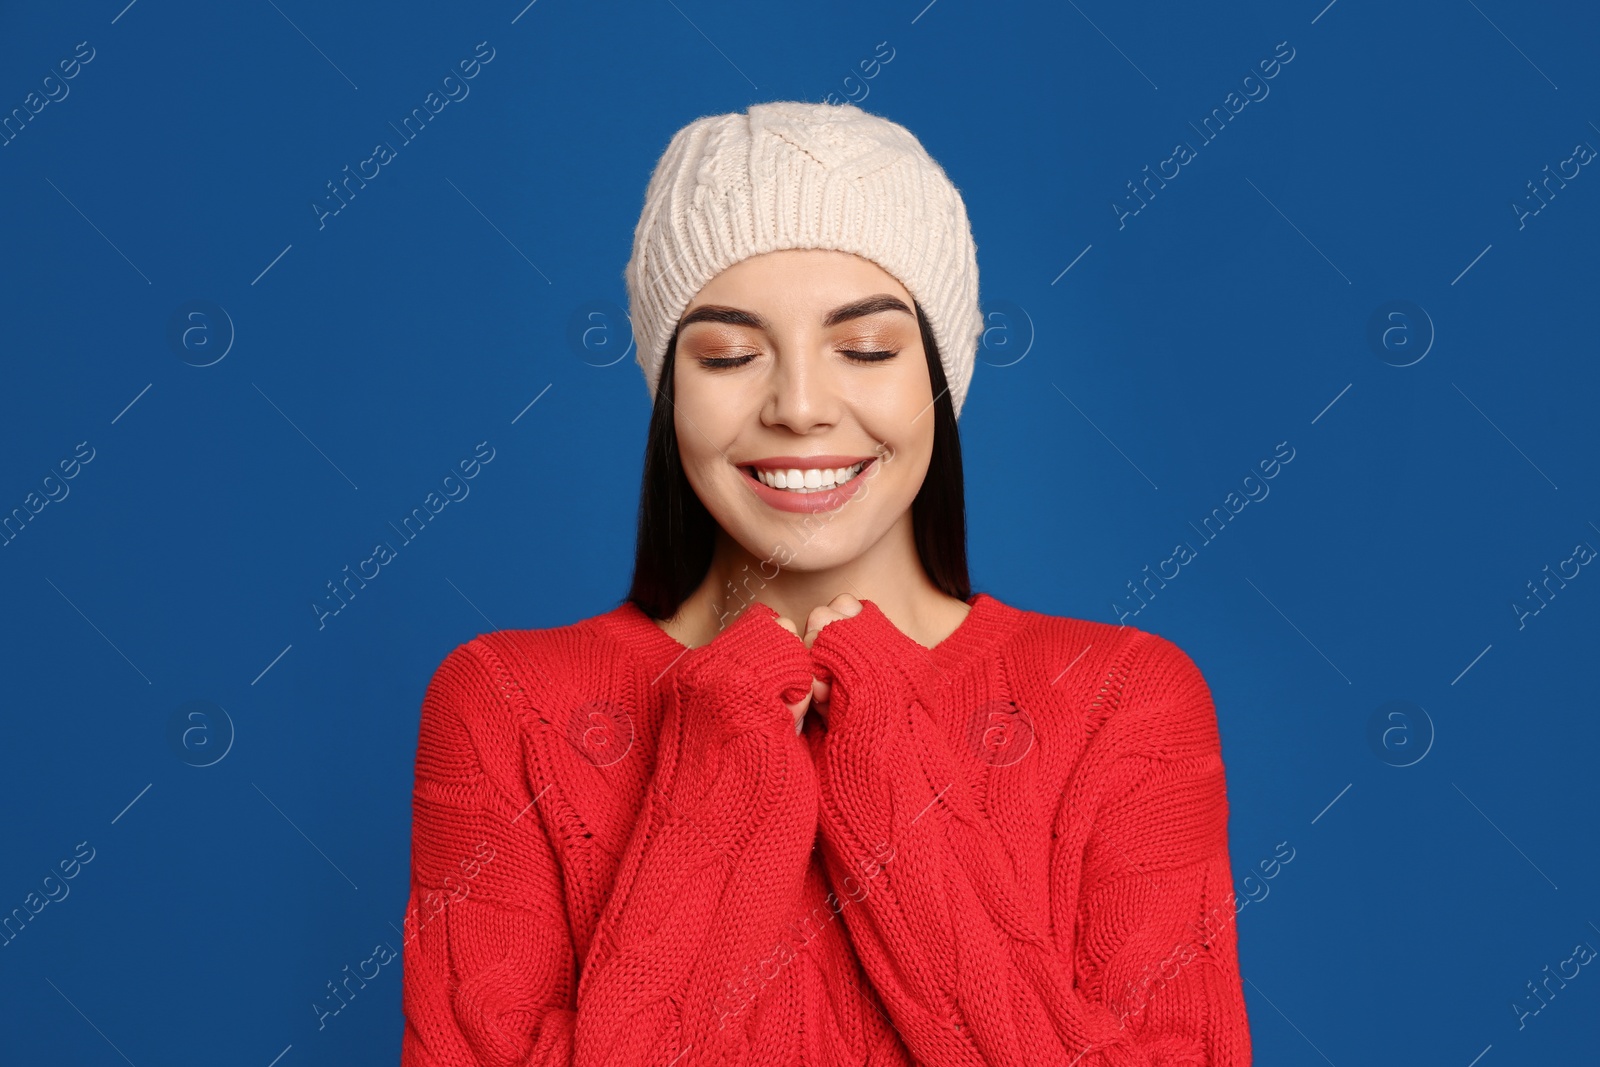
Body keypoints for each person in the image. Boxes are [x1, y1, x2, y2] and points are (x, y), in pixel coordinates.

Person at [399, 100, 1252, 1066]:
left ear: (939, 372)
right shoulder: (506, 706)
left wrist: (888, 781)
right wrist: (723, 775)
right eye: (728, 354)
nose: (799, 407)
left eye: (866, 347)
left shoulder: (1121, 701)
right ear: (668, 386)